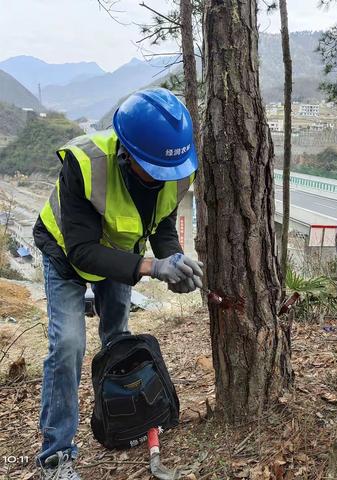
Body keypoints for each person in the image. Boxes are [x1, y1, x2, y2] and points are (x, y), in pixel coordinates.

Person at [32, 88, 203, 480]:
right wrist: (151, 267)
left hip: (121, 255)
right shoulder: (85, 164)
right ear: (127, 154)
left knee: (118, 340)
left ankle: (118, 418)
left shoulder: (176, 169)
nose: (164, 178)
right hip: (66, 254)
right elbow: (82, 252)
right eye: (154, 169)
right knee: (69, 345)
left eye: (169, 171)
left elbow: (160, 225)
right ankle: (56, 456)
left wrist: (173, 257)